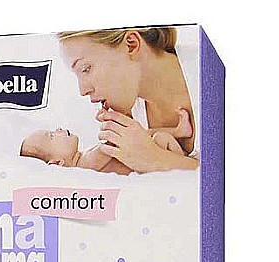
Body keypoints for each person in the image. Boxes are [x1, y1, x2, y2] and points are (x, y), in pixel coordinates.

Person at [58, 27, 199, 173]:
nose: (83, 91)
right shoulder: (131, 116)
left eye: (86, 69)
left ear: (131, 45)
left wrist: (158, 160)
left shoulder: (208, 70)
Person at [19, 108, 193, 174]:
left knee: (143, 136)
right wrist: (110, 119)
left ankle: (179, 132)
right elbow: (113, 143)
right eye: (51, 136)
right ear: (58, 163)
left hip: (146, 157)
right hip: (149, 164)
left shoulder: (83, 156)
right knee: (159, 138)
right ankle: (182, 156)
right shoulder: (85, 166)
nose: (57, 129)